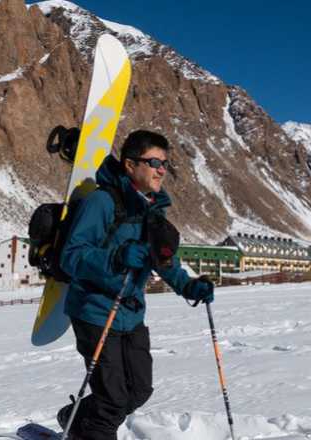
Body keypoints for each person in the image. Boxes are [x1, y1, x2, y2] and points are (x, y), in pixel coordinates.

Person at [57, 130, 215, 439]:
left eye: (165, 164)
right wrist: (116, 258)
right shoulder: (102, 202)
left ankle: (74, 419)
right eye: (154, 162)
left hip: (131, 314)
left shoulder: (153, 209)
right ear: (130, 165)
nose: (161, 170)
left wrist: (188, 286)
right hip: (95, 311)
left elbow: (164, 261)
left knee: (139, 391)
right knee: (112, 399)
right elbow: (71, 256)